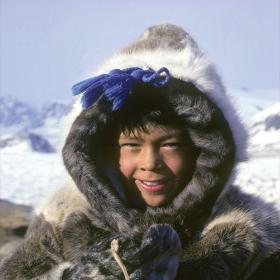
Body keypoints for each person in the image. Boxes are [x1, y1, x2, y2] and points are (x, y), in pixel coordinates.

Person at [0, 24, 279, 280]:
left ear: (204, 150)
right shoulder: (65, 220)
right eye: (131, 145)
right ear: (103, 151)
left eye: (171, 144)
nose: (150, 163)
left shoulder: (252, 239)